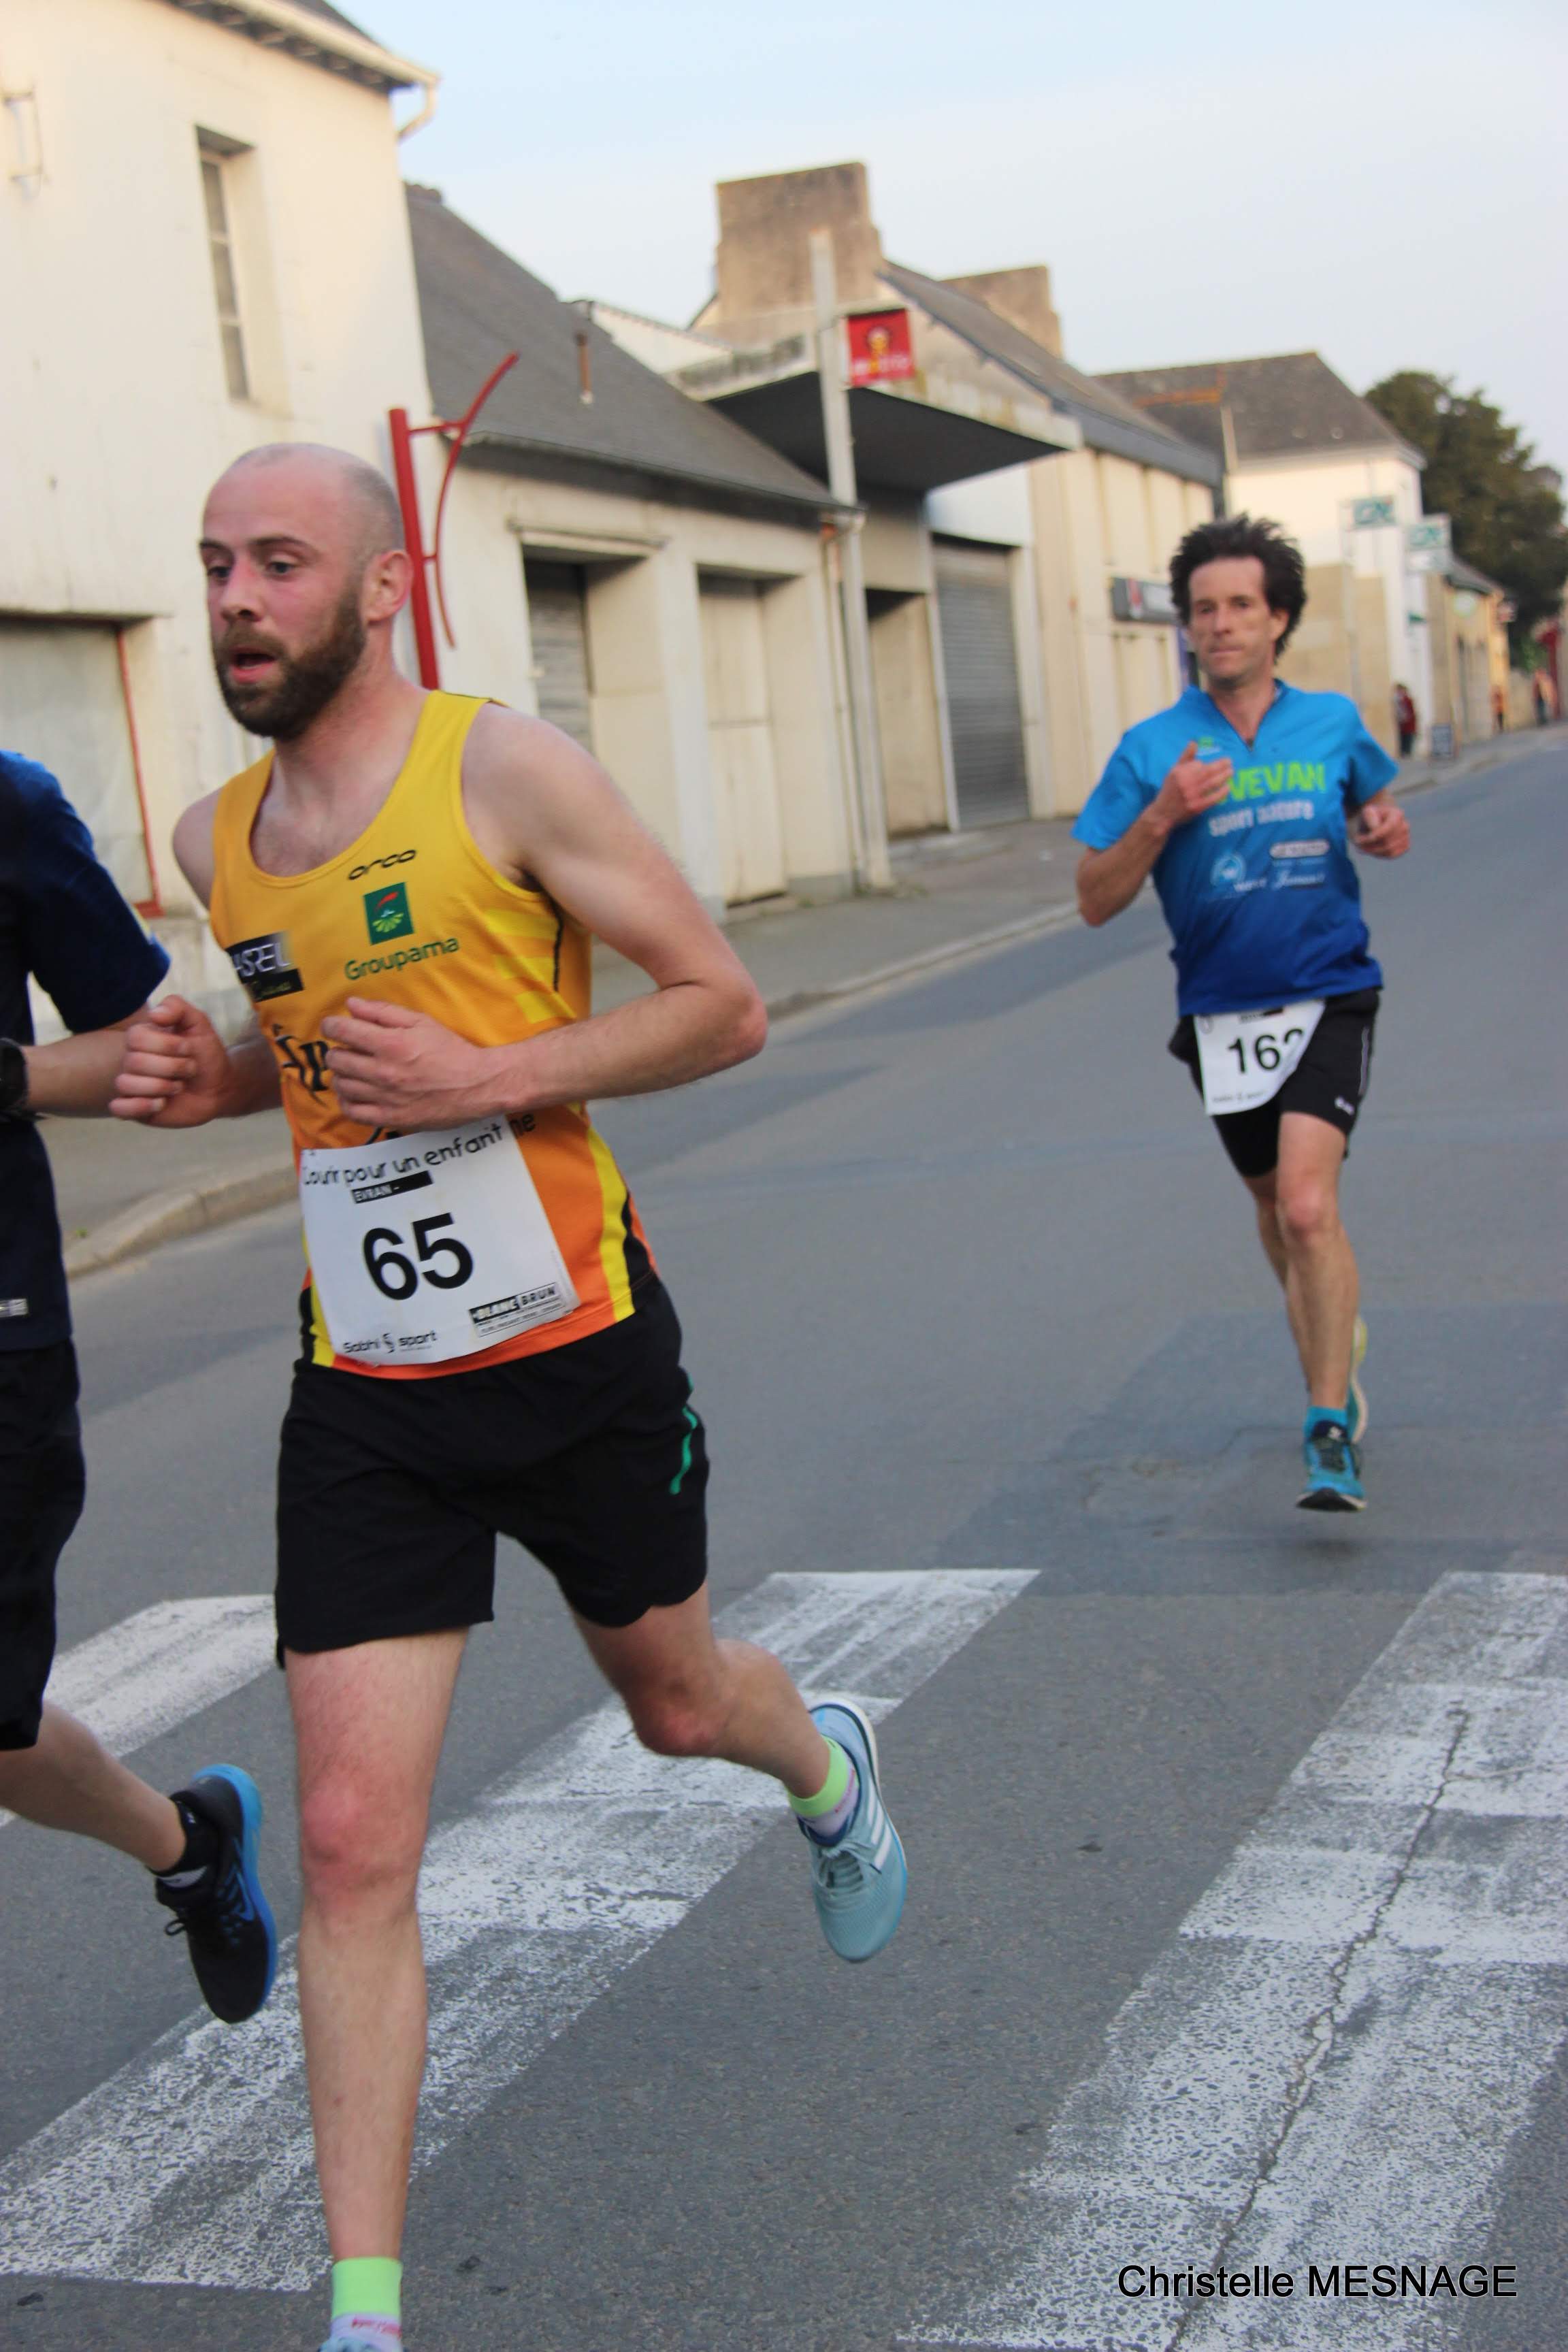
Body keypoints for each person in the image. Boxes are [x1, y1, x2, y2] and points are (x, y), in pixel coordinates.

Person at [112, 442, 907, 2352]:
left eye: (279, 562)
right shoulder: (215, 843)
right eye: (215, 564)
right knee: (347, 1842)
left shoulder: (506, 771)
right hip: (369, 1386)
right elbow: (304, 1047)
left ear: (383, 588)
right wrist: (209, 1079)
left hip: (574, 1351)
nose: (236, 599)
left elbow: (718, 1001)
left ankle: (825, 1767)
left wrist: (490, 1077)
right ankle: (365, 2320)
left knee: (676, 1703)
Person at [0, 749, 276, 2024]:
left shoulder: (10, 805)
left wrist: (11, 1075)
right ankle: (188, 1846)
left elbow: (149, 1045)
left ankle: (190, 1846)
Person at [1074, 514, 1411, 1512]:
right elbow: (1094, 898)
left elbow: (1370, 805)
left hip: (1332, 986)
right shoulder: (1152, 750)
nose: (1219, 625)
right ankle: (1333, 1329)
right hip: (1221, 1013)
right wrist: (1163, 814)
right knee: (1275, 1210)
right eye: (1203, 610)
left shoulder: (1332, 722)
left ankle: (1327, 1423)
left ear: (1279, 620)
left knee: (1307, 1205)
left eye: (1240, 606)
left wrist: (1380, 825)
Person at [1392, 681, 1417, 758]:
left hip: (1408, 722)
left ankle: (1408, 751)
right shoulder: (1398, 700)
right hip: (1402, 722)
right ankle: (1403, 752)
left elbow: (1411, 712)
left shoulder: (1407, 700)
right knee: (1402, 737)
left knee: (1408, 737)